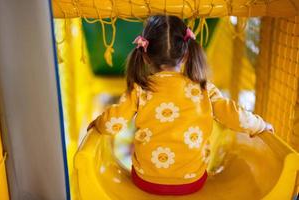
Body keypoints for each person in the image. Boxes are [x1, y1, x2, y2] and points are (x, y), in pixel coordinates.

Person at [87, 15, 274, 195]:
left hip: (145, 181)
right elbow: (235, 116)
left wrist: (97, 123)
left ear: (145, 56)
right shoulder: (204, 89)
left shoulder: (140, 89)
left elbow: (113, 123)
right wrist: (260, 125)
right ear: (186, 54)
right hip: (192, 182)